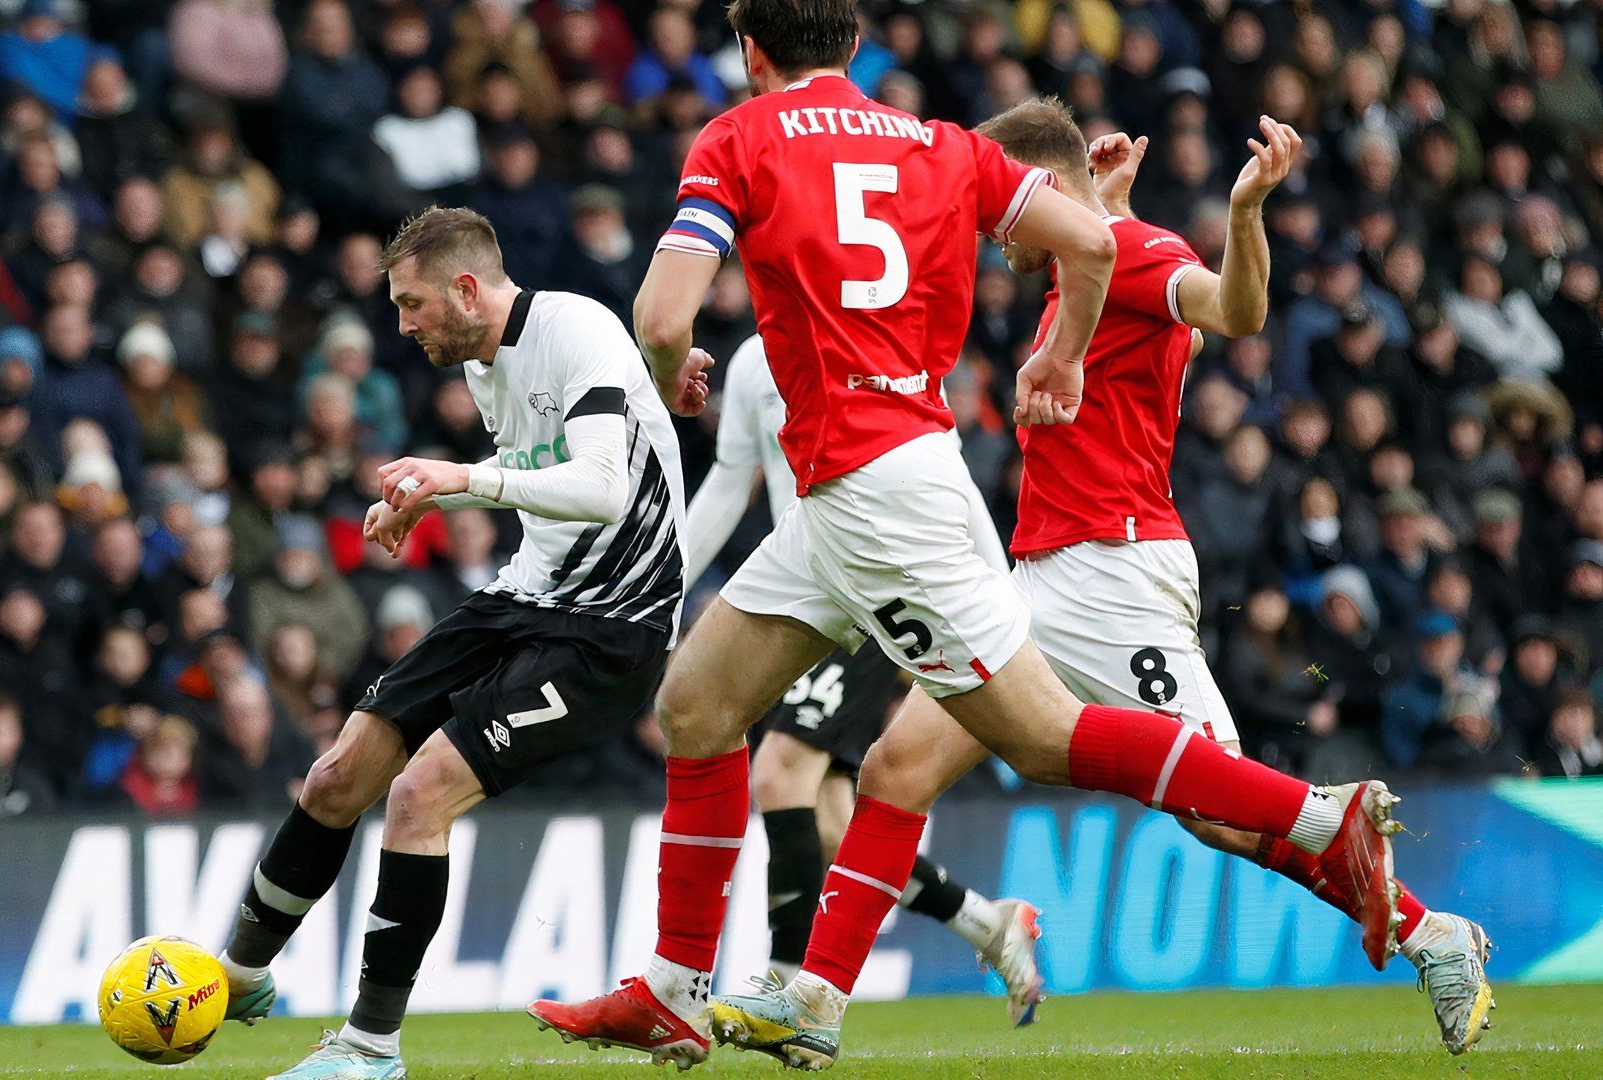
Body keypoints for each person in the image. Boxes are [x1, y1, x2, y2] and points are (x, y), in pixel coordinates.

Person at [531, 4, 1406, 1070]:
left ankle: (1319, 814)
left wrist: (674, 384)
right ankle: (675, 988)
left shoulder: (737, 139)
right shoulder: (941, 144)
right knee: (699, 704)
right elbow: (1091, 239)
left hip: (874, 495)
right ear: (854, 48)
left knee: (1037, 735)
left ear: (752, 53)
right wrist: (1063, 357)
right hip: (870, 476)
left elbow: (664, 321)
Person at [771, 99, 1479, 1054]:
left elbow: (1238, 308)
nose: (987, 229)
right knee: (896, 767)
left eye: (995, 206)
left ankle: (1430, 931)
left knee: (1222, 819)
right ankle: (817, 1003)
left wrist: (1243, 213)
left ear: (1030, 188)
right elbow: (1093, 265)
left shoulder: (1134, 251)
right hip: (1037, 579)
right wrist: (1091, 213)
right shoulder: (1084, 263)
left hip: (1115, 569)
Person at [216, 207, 686, 1080]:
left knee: (417, 795)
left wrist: (455, 480)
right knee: (337, 774)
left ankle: (371, 1049)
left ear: (467, 289)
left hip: (613, 622)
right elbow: (539, 481)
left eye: (412, 303)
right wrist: (435, 499)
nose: (403, 325)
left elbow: (602, 487)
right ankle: (235, 977)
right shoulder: (481, 363)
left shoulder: (575, 327)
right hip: (525, 594)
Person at [682, 332, 1044, 1018]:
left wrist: (1001, 597)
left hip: (881, 582)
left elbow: (953, 473)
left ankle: (781, 980)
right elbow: (731, 480)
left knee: (777, 771)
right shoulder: (757, 360)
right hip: (802, 595)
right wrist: (670, 595)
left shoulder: (875, 335)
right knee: (827, 823)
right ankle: (987, 923)